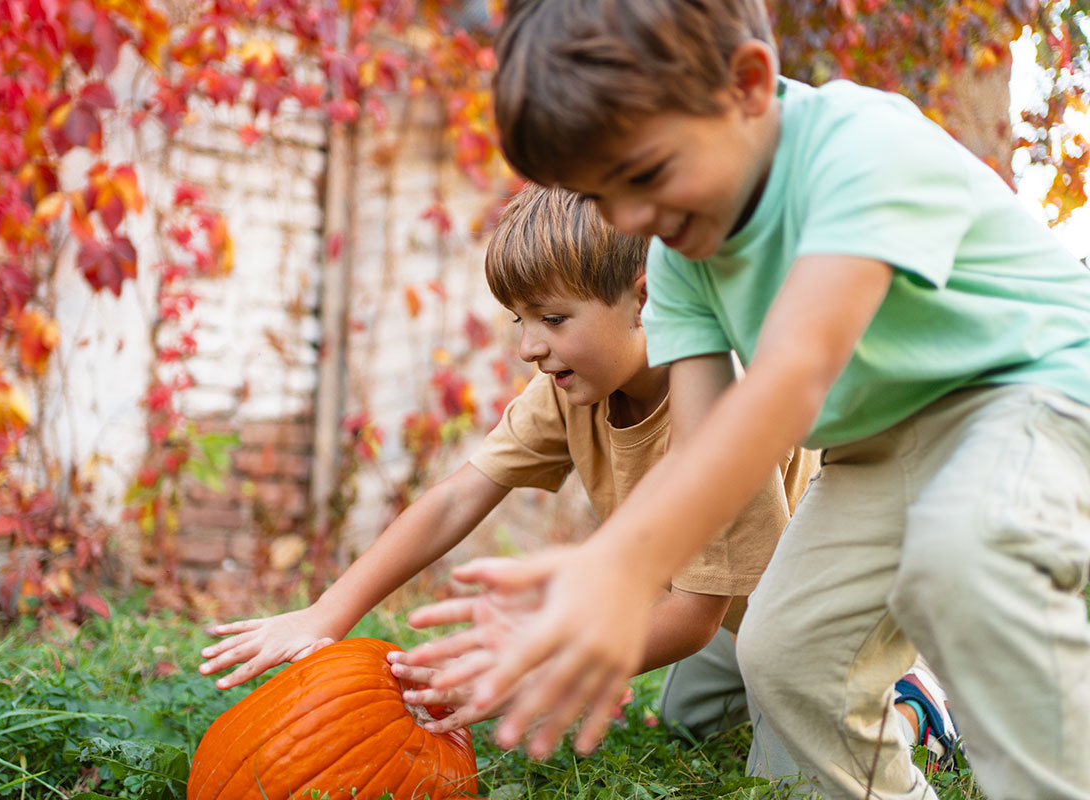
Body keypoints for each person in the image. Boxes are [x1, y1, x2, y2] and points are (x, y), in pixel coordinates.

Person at [396, 1, 1090, 799]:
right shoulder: (684, 259)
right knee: (788, 657)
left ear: (749, 84)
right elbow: (706, 449)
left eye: (645, 175)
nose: (630, 220)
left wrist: (619, 569)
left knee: (963, 552)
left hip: (1029, 388)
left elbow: (794, 375)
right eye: (603, 194)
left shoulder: (862, 149)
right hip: (877, 446)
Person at [200, 183, 959, 786]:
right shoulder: (569, 391)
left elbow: (694, 616)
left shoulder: (716, 406)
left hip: (801, 613)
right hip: (737, 606)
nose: (530, 346)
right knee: (690, 715)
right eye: (520, 319)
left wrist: (526, 666)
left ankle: (908, 700)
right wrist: (330, 612)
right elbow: (460, 495)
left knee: (789, 749)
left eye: (553, 318)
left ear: (644, 298)